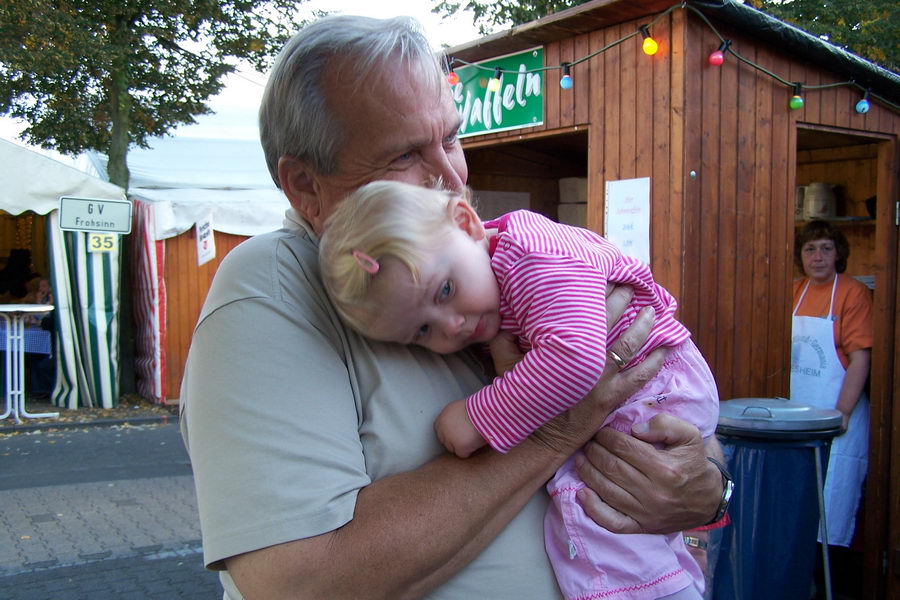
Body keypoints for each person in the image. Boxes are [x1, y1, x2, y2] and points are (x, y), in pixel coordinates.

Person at [179, 15, 727, 599]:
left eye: (450, 139)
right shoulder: (274, 287)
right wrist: (557, 428)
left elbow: (652, 383)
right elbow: (296, 582)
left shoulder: (473, 260)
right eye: (404, 156)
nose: (450, 178)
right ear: (306, 185)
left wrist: (710, 486)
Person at [318, 181, 720, 599]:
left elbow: (576, 358)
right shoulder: (499, 264)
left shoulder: (532, 257)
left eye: (445, 290)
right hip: (650, 384)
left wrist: (478, 417)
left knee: (594, 515)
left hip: (653, 382)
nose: (451, 326)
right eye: (422, 330)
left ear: (467, 223)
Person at [792, 220, 873, 547]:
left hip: (839, 413)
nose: (818, 257)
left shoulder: (853, 293)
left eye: (826, 248)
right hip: (797, 414)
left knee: (832, 498)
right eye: (810, 249)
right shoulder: (794, 292)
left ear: (839, 254)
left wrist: (842, 413)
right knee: (798, 501)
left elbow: (860, 360)